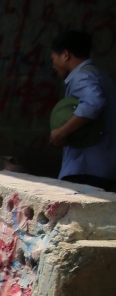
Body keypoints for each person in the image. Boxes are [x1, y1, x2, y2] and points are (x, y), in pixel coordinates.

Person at [50, 30, 116, 191]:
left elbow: (93, 103)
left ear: (65, 54)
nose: (53, 65)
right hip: (104, 168)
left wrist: (61, 133)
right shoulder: (101, 76)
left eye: (54, 58)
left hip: (86, 169)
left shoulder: (83, 76)